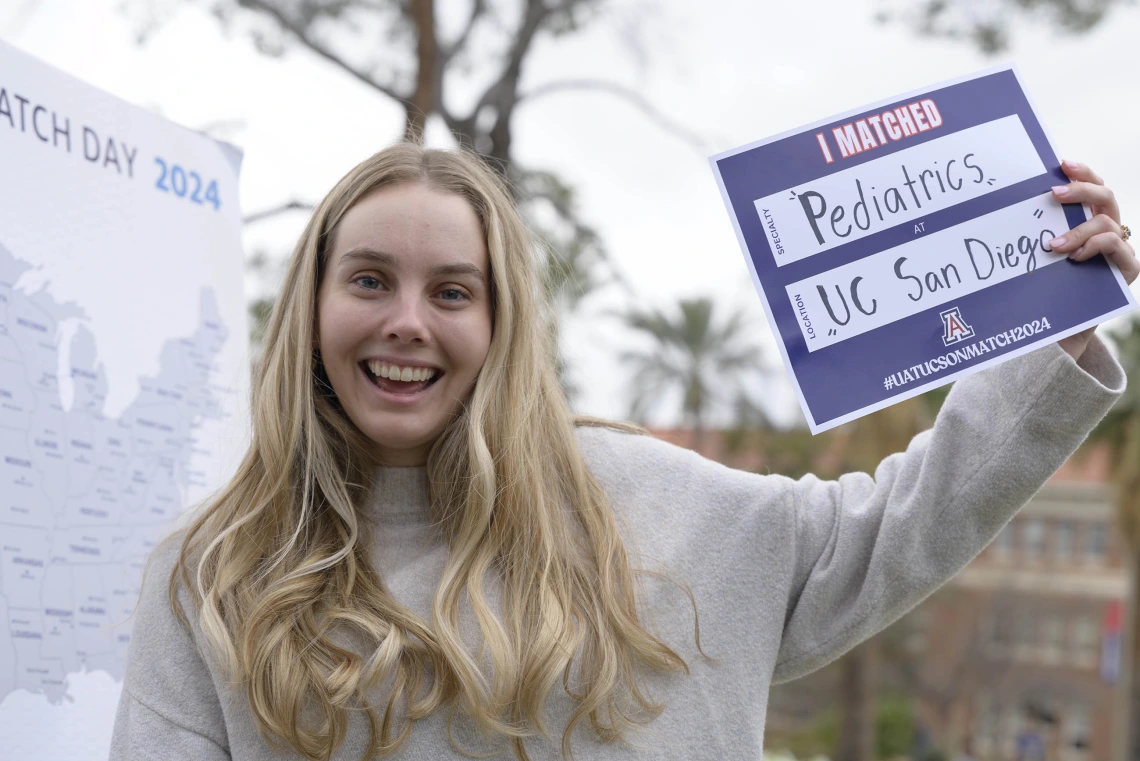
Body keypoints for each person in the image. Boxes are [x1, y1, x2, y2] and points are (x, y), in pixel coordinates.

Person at [109, 144, 1136, 761]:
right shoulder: (210, 572)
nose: (407, 321)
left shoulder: (654, 501)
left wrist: (1054, 333)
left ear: (504, 320)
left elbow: (891, 525)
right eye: (370, 280)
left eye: (453, 291)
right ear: (313, 304)